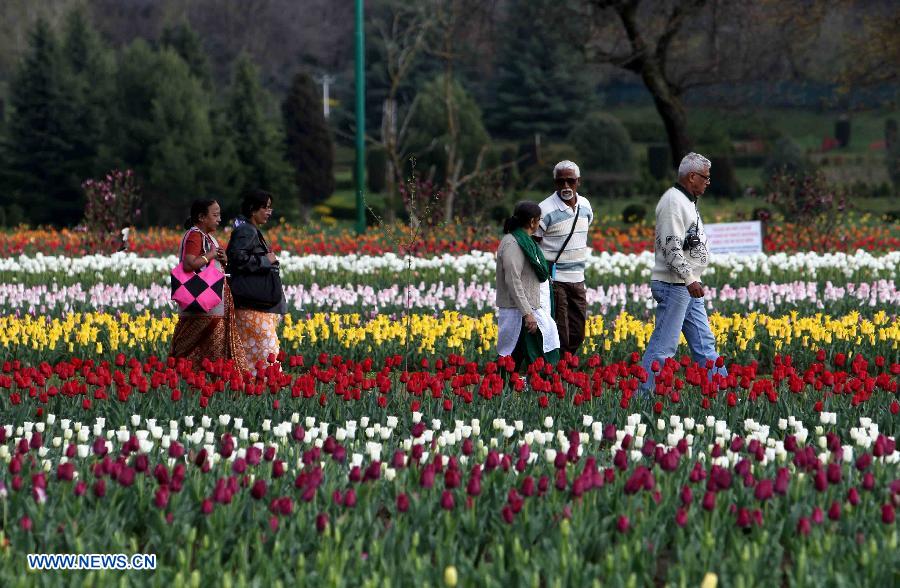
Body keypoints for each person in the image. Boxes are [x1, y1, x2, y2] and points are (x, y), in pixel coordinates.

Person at [639, 152, 728, 394]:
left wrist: (692, 279)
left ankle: (722, 392)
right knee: (664, 347)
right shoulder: (673, 202)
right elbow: (670, 245)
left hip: (686, 285)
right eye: (706, 178)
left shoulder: (686, 201)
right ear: (692, 177)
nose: (708, 182)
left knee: (704, 344)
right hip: (675, 285)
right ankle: (643, 397)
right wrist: (689, 279)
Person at [170, 200, 247, 372]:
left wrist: (223, 260)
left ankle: (202, 386)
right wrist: (211, 255)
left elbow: (212, 267)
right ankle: (194, 385)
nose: (219, 219)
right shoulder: (195, 235)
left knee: (208, 356)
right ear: (201, 217)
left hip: (212, 306)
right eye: (215, 215)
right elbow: (189, 265)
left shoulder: (208, 237)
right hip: (203, 306)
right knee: (200, 355)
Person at [534, 160, 594, 356]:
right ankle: (561, 368)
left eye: (570, 181)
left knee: (579, 328)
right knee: (561, 328)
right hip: (555, 279)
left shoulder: (585, 205)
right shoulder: (545, 209)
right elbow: (534, 242)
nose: (566, 186)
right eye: (561, 182)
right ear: (555, 183)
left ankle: (567, 363)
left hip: (578, 278)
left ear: (579, 181)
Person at [226, 190, 287, 372]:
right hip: (252, 306)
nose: (269, 212)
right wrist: (265, 261)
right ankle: (265, 388)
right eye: (265, 208)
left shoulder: (251, 230)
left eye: (270, 208)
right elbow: (236, 259)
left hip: (253, 305)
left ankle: (250, 389)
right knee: (267, 353)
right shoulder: (246, 230)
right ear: (253, 210)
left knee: (253, 354)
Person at [496, 201, 561, 370]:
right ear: (532, 221)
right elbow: (513, 279)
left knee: (522, 358)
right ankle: (503, 390)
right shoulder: (513, 243)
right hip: (519, 311)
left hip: (530, 308)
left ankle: (517, 390)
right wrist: (527, 313)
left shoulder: (526, 241)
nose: (539, 224)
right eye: (538, 220)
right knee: (513, 358)